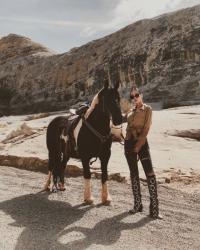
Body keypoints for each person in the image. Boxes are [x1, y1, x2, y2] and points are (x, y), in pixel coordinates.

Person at [124, 86, 162, 219]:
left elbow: (146, 129)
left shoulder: (148, 109)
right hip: (128, 144)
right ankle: (137, 205)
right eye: (132, 96)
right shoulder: (129, 111)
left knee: (150, 173)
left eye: (136, 95)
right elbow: (124, 125)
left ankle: (155, 210)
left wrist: (138, 146)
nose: (134, 98)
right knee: (134, 174)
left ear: (141, 95)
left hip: (142, 144)